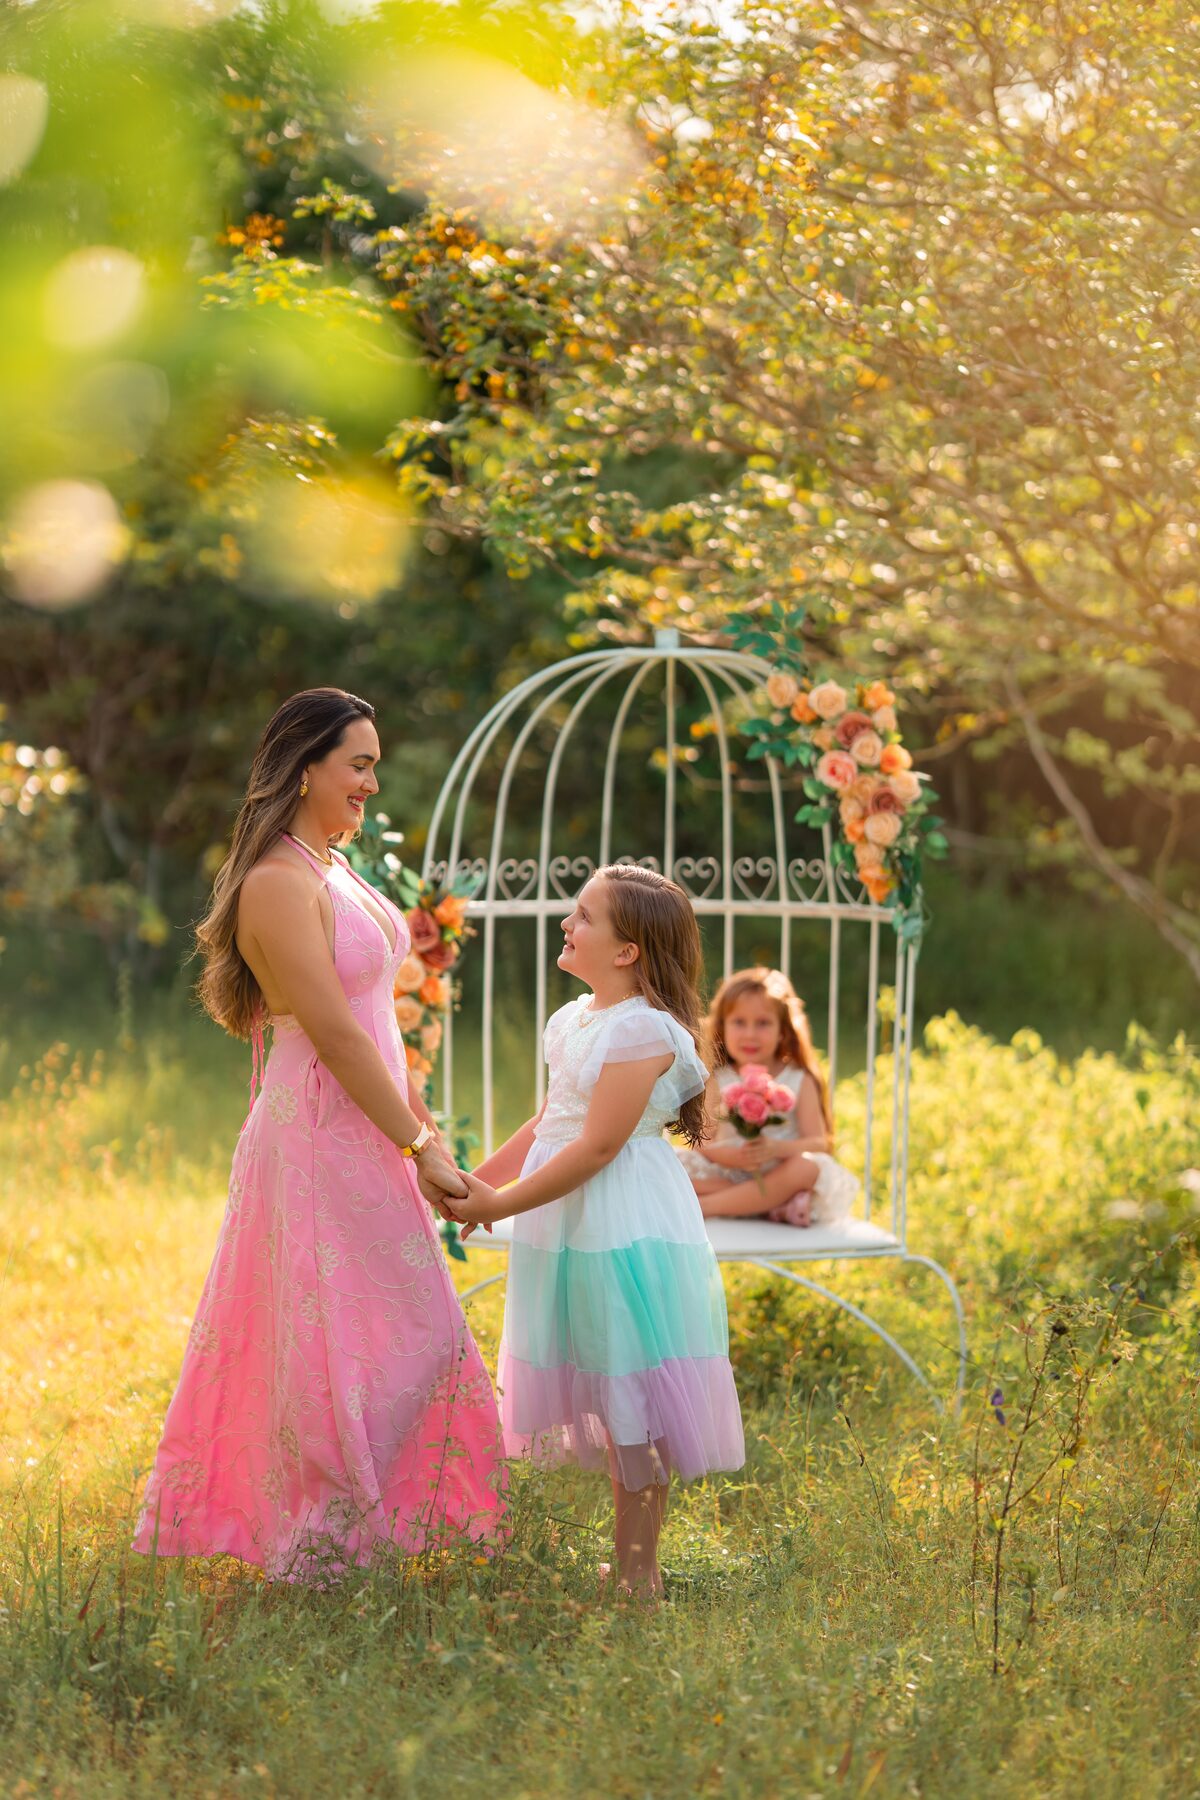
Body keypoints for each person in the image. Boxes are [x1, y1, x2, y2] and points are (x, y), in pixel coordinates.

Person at [132, 688, 505, 1579]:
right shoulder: (273, 881)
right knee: (336, 1335)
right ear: (307, 769)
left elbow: (378, 1025)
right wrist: (419, 1148)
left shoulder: (329, 866)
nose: (372, 783)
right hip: (313, 1132)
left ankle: (375, 1521)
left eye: (373, 765)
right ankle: (322, 1540)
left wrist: (420, 1131)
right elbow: (335, 1033)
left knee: (409, 1329)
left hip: (371, 1121)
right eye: (359, 764)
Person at [450, 863, 745, 1600]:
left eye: (583, 916)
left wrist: (499, 1204)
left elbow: (601, 1145)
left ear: (626, 951)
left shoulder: (644, 1027)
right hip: (572, 1221)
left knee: (630, 1391)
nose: (565, 923)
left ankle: (639, 1573)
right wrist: (470, 1182)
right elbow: (553, 1123)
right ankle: (630, 1563)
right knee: (604, 1377)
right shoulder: (573, 1018)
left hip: (621, 1223)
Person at [677, 967, 858, 1227]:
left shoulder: (798, 1078)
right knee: (670, 1166)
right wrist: (729, 1156)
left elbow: (820, 1143)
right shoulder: (718, 1079)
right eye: (739, 1022)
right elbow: (701, 1142)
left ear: (782, 1031)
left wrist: (777, 1149)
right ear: (723, 1028)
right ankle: (767, 1204)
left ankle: (706, 1207)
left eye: (763, 1023)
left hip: (781, 1174)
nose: (750, 1034)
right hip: (729, 1173)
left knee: (808, 1167)